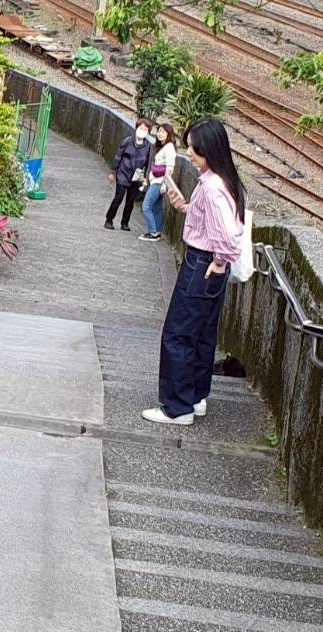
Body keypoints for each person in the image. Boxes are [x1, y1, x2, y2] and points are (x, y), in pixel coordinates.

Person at [143, 117, 246, 425]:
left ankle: (177, 407)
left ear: (209, 151)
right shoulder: (223, 181)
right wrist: (186, 208)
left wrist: (218, 259)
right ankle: (196, 396)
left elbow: (227, 236)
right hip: (212, 267)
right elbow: (215, 221)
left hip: (201, 264)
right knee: (202, 334)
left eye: (193, 149)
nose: (188, 153)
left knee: (178, 334)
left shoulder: (213, 187)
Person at [105, 117, 154, 231]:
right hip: (123, 173)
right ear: (136, 128)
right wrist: (113, 172)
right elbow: (118, 156)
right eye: (141, 128)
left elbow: (148, 162)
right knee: (118, 198)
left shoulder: (148, 146)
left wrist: (145, 177)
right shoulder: (127, 141)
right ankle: (109, 219)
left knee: (130, 201)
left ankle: (125, 223)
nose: (142, 130)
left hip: (136, 177)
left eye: (145, 129)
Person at [139, 122, 177, 242]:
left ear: (169, 134)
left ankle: (152, 232)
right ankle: (157, 231)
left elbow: (170, 168)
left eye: (163, 132)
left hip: (159, 182)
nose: (160, 134)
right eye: (159, 131)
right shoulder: (163, 147)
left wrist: (165, 184)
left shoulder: (169, 147)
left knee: (146, 206)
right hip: (156, 180)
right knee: (156, 207)